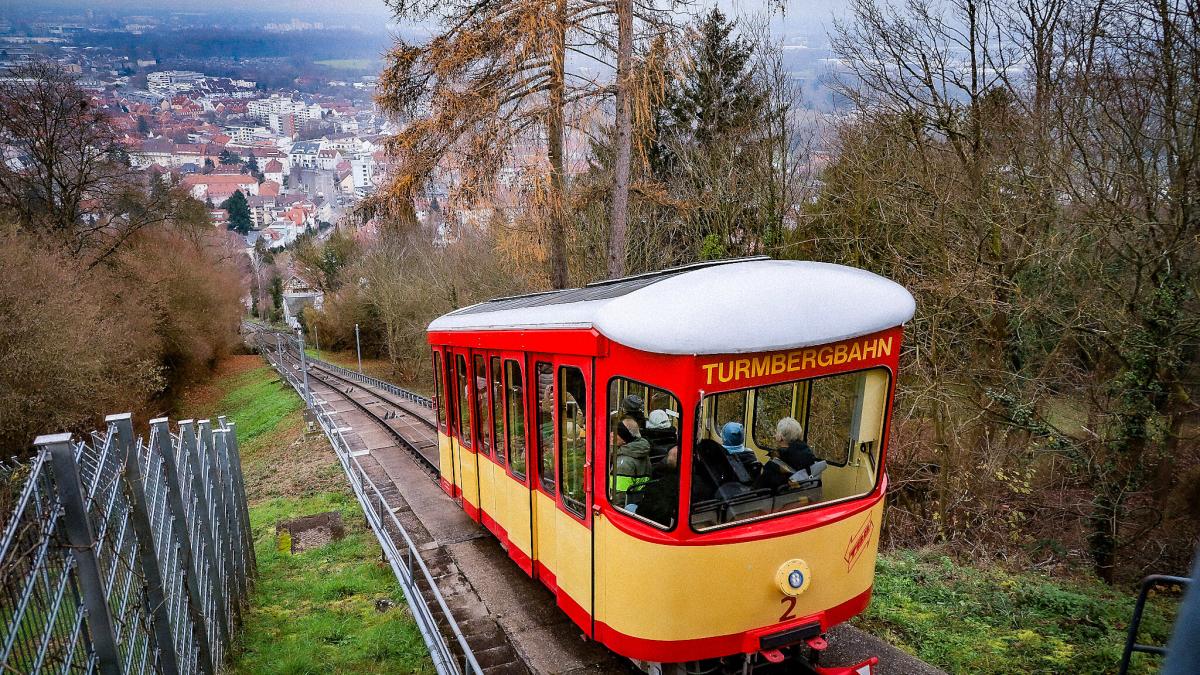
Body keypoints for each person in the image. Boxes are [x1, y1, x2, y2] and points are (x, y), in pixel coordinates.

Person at [756, 417, 817, 492]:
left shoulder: (773, 465)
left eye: (777, 432)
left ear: (780, 437)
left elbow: (758, 491)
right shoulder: (809, 457)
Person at [610, 418, 652, 509]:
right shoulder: (639, 452)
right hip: (638, 502)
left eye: (616, 433)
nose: (611, 435)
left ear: (625, 440)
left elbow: (618, 499)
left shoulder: (623, 463)